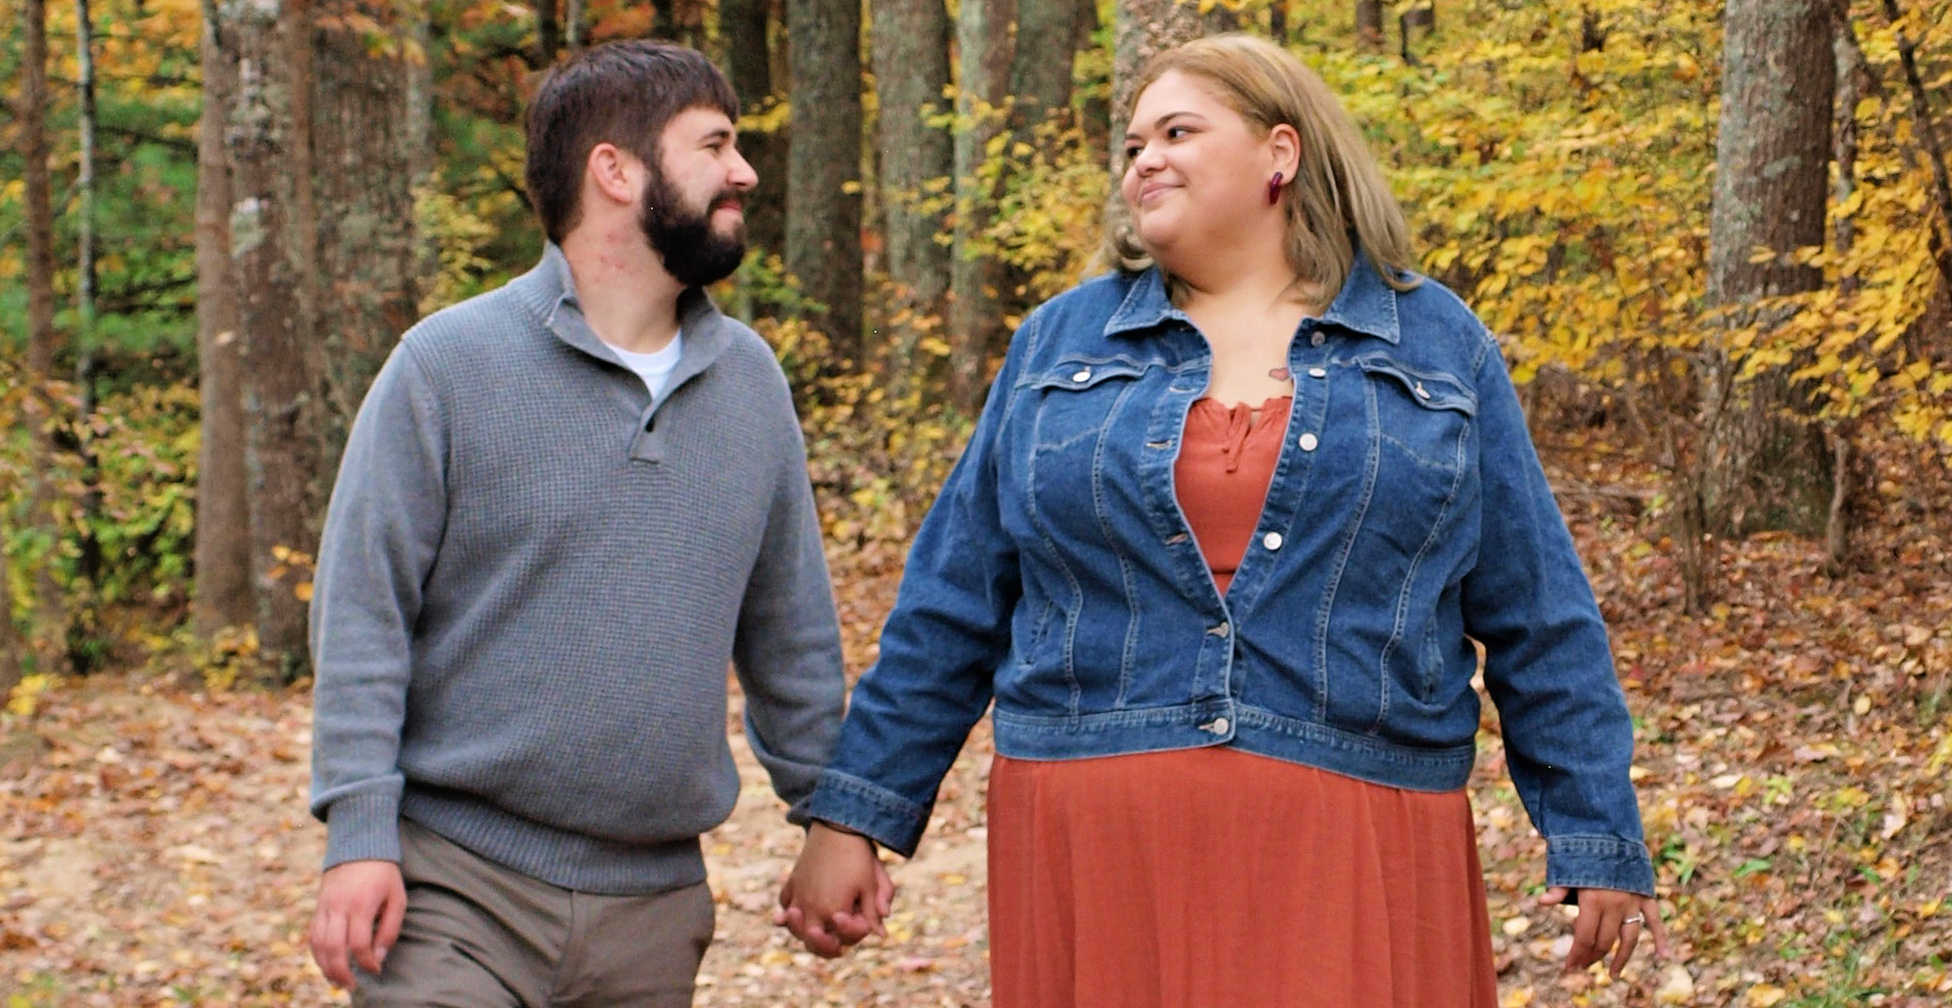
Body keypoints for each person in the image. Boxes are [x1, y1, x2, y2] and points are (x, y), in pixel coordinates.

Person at [778, 33, 1665, 1007]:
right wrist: (851, 817)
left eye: (1175, 131)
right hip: (1095, 847)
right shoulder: (1056, 344)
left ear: (1278, 154)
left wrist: (1596, 836)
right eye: (1130, 145)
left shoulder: (1435, 345)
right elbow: (952, 602)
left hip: (1356, 845)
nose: (1142, 158)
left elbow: (1537, 611)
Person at [306, 40, 861, 1007]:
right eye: (715, 145)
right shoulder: (445, 366)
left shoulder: (752, 386)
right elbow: (363, 613)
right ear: (615, 168)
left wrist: (831, 819)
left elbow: (791, 633)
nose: (745, 171)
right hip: (453, 892)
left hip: (655, 913)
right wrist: (358, 835)